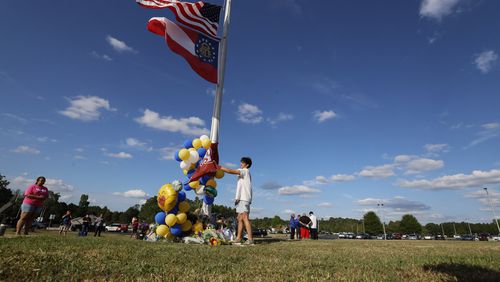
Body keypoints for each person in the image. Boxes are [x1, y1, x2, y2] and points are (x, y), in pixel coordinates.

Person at [220, 157, 254, 245]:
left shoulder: (245, 171)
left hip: (244, 198)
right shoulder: (244, 173)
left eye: (242, 163)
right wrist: (237, 198)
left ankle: (250, 239)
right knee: (239, 219)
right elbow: (241, 186)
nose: (241, 164)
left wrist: (219, 167)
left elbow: (231, 171)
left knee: (245, 217)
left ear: (247, 165)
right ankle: (238, 238)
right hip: (241, 199)